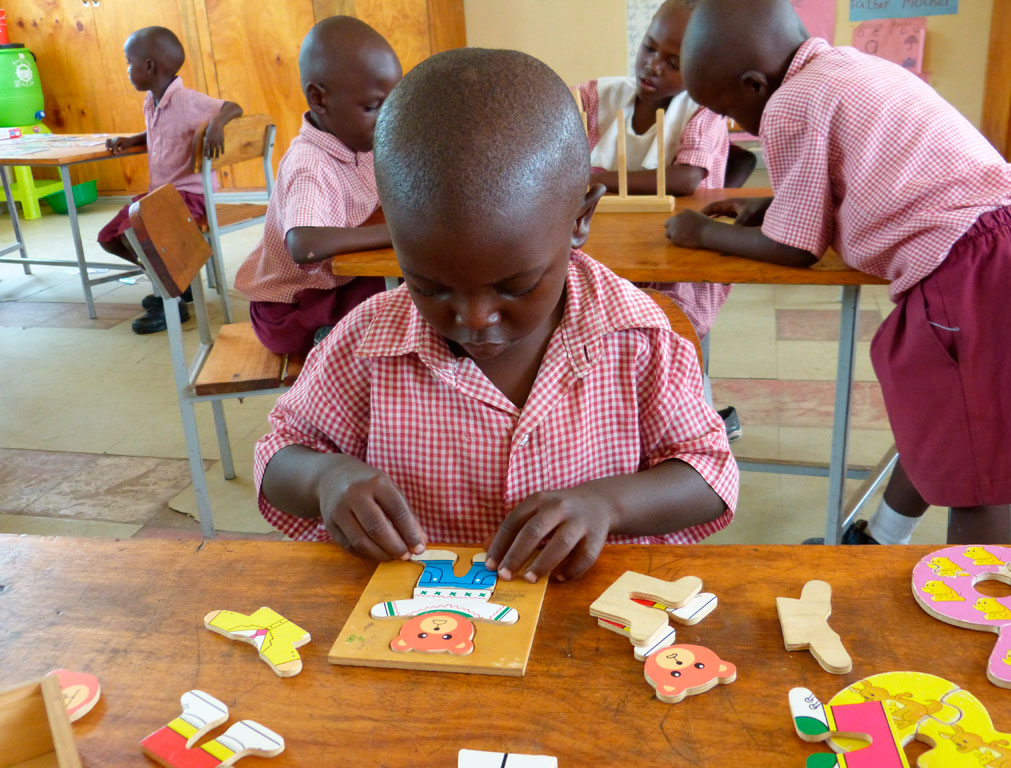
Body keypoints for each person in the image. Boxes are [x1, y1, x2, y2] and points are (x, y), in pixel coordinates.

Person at [254, 48, 738, 582]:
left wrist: (609, 504)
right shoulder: (368, 343)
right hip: (422, 629)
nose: (475, 318)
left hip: (586, 627)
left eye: (515, 286)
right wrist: (324, 479)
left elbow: (710, 475)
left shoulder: (636, 338)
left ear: (581, 219)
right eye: (430, 286)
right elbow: (278, 453)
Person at [667, 0, 1011, 544]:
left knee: (982, 478)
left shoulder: (791, 103)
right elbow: (859, 173)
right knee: (950, 415)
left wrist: (702, 233)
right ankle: (880, 538)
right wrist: (773, 200)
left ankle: (979, 619)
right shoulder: (851, 67)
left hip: (973, 270)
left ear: (755, 85)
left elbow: (796, 249)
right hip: (1006, 236)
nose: (741, 128)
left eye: (733, 115)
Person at [574, 0, 752, 440]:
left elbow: (687, 176)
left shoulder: (703, 110)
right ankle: (615, 425)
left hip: (673, 259)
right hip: (605, 248)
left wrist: (599, 177)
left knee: (670, 337)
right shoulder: (597, 96)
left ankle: (694, 425)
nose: (652, 67)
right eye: (648, 49)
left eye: (673, 62)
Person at [233, 16, 400, 356]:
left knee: (409, 285)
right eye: (372, 107)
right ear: (320, 99)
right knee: (404, 297)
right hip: (290, 312)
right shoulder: (311, 164)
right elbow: (304, 244)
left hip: (331, 287)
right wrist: (398, 232)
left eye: (392, 105)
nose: (387, 118)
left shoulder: (357, 141)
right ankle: (333, 342)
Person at [102, 26, 242, 334]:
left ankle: (171, 303)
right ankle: (176, 282)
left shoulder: (187, 101)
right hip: (161, 195)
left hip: (188, 196)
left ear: (149, 66)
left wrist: (217, 123)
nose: (127, 69)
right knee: (111, 237)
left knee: (136, 233)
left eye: (129, 61)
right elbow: (160, 134)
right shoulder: (151, 101)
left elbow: (234, 107)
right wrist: (133, 139)